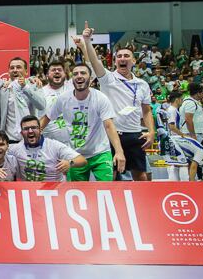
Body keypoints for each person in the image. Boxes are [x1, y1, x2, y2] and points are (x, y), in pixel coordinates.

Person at [81, 22, 154, 181]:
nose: (122, 58)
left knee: (141, 175)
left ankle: (142, 204)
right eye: (119, 56)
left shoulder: (142, 84)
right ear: (115, 62)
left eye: (126, 56)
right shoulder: (108, 79)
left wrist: (151, 131)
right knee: (112, 176)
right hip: (112, 135)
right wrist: (87, 41)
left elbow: (147, 111)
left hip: (135, 135)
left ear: (134, 61)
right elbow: (95, 62)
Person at [41, 63, 126, 181]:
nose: (79, 76)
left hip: (100, 153)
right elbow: (47, 118)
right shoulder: (63, 99)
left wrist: (119, 151)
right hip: (76, 156)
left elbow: (109, 125)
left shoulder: (101, 98)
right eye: (75, 74)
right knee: (76, 193)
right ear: (72, 80)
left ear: (90, 79)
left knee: (107, 190)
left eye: (83, 73)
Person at [8, 115, 86, 182]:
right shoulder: (16, 148)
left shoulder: (54, 145)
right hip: (29, 193)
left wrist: (69, 163)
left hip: (55, 191)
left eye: (34, 127)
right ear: (21, 133)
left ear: (40, 130)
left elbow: (82, 160)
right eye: (26, 129)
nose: (30, 131)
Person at [0, 57, 46, 143]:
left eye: (18, 67)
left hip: (30, 137)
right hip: (9, 139)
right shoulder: (3, 88)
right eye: (12, 68)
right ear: (8, 72)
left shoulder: (33, 85)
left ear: (26, 71)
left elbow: (42, 105)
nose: (15, 70)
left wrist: (25, 88)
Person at [165, 91, 203, 180]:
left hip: (173, 138)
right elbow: (172, 126)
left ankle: (178, 183)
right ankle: (181, 184)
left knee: (177, 164)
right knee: (180, 164)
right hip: (174, 139)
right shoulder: (172, 110)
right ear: (177, 100)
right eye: (182, 99)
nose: (182, 101)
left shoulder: (173, 110)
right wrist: (183, 135)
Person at [40, 60, 72, 145]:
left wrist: (84, 48)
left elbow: (89, 69)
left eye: (59, 70)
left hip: (72, 144)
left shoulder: (71, 87)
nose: (57, 71)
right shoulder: (40, 92)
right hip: (48, 143)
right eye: (53, 70)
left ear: (65, 74)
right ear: (47, 75)